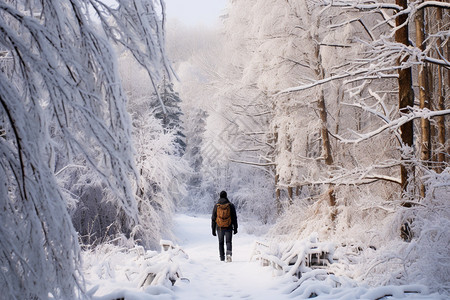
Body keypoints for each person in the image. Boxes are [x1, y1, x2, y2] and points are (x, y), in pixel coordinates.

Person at [211, 190, 238, 262]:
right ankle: (228, 254)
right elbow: (234, 217)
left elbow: (213, 218)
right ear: (226, 196)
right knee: (228, 242)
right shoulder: (230, 205)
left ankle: (222, 258)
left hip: (219, 228)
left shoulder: (217, 206)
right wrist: (235, 228)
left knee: (221, 243)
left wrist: (213, 229)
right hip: (228, 227)